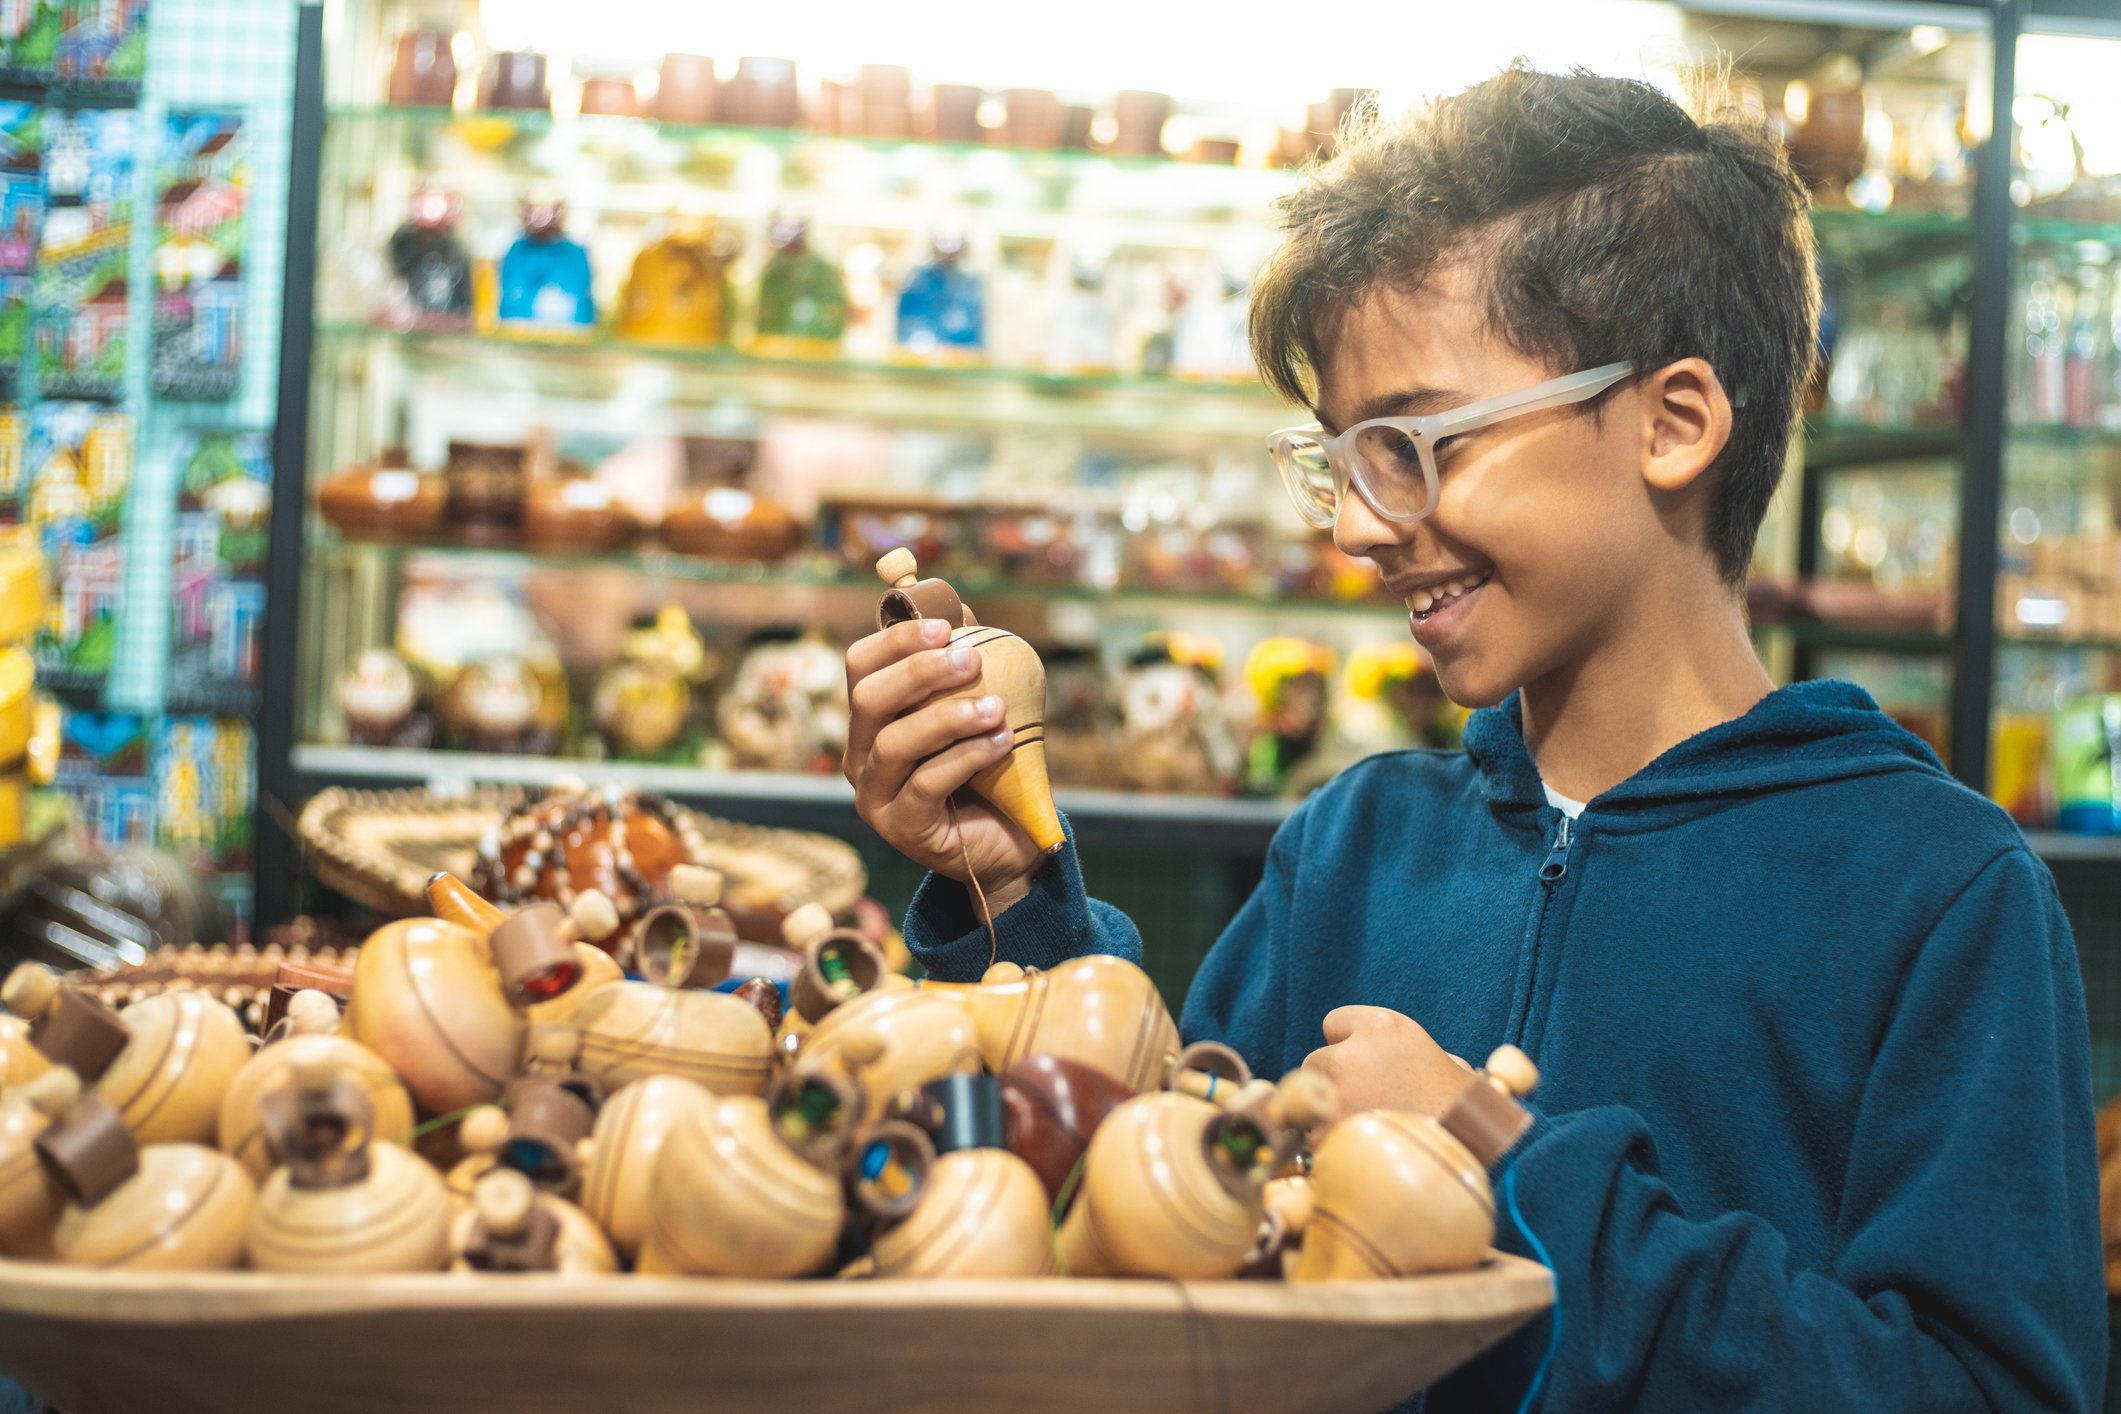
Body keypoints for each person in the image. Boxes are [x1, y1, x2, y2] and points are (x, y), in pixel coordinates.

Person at [841, 66, 2104, 1411]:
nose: (1354, 527)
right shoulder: (1353, 843)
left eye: (1411, 443)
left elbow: (1982, 1387)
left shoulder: (1934, 891)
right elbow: (1149, 1203)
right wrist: (1017, 890)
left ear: (1671, 422)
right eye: (1337, 458)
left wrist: (1491, 1154)